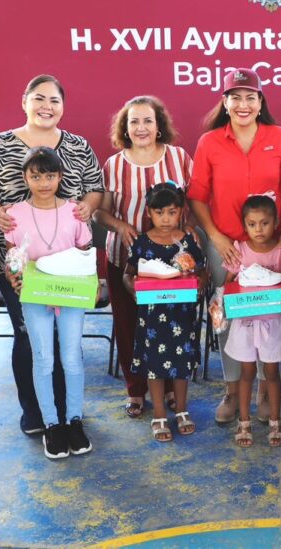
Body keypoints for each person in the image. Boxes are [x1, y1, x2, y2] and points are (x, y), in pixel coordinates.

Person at [0, 74, 104, 436]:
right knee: (29, 335)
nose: (47, 106)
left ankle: (66, 411)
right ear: (25, 101)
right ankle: (37, 412)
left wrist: (86, 209)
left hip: (68, 264)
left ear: (63, 106)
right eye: (39, 98)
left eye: (55, 100)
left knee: (67, 342)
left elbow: (95, 188)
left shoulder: (77, 145)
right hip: (18, 264)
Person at [188, 67, 281, 424]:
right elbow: (197, 197)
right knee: (228, 316)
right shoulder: (209, 142)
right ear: (224, 102)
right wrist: (216, 237)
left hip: (270, 246)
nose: (243, 104)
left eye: (250, 97)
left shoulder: (278, 136)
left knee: (271, 313)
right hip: (226, 247)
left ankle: (267, 389)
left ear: (260, 101)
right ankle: (233, 390)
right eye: (235, 97)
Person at [93, 96, 192, 418]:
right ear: (125, 127)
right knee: (128, 327)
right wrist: (120, 225)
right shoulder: (114, 164)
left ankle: (167, 389)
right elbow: (100, 213)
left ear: (159, 125)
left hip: (174, 265)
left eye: (147, 120)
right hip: (126, 261)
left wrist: (189, 240)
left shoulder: (179, 158)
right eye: (134, 121)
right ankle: (136, 390)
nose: (141, 128)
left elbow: (194, 204)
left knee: (169, 327)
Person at [4, 147, 93, 459]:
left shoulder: (74, 211)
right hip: (35, 296)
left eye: (50, 175)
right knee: (42, 358)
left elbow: (85, 251)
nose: (43, 182)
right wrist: (13, 273)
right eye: (36, 175)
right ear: (26, 177)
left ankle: (74, 420)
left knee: (71, 358)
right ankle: (51, 424)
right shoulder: (14, 214)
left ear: (61, 177)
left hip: (70, 296)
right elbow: (12, 256)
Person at [123, 183, 205, 442]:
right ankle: (159, 413)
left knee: (181, 366)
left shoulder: (189, 240)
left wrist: (200, 282)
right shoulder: (142, 243)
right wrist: (133, 289)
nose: (166, 219)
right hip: (152, 319)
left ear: (181, 211)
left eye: (172, 212)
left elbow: (202, 270)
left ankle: (181, 410)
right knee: (154, 368)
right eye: (160, 213)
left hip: (181, 316)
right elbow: (128, 274)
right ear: (149, 212)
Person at [223, 194, 281, 448]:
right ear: (244, 225)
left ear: (276, 222)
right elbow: (229, 282)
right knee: (246, 373)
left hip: (273, 323)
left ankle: (275, 421)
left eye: (265, 223)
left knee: (271, 373)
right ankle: (244, 422)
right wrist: (222, 300)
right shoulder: (239, 249)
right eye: (252, 224)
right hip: (244, 323)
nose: (259, 229)